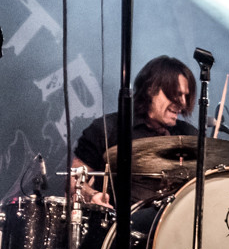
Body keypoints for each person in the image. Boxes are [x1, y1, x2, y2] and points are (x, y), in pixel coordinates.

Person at [71, 55, 197, 204]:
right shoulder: (109, 128)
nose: (182, 102)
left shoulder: (188, 135)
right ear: (151, 89)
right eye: (176, 94)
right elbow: (73, 180)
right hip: (119, 223)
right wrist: (92, 195)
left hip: (172, 224)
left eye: (185, 96)